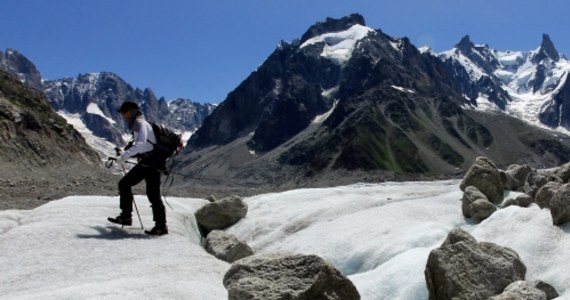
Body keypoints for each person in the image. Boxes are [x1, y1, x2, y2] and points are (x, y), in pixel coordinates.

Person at [107, 101, 168, 236]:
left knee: (125, 184)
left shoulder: (140, 123)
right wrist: (125, 153)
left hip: (150, 163)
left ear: (131, 111)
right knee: (152, 194)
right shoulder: (139, 124)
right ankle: (160, 226)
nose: (123, 115)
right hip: (150, 162)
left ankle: (127, 217)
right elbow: (141, 145)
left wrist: (123, 156)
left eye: (125, 112)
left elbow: (140, 145)